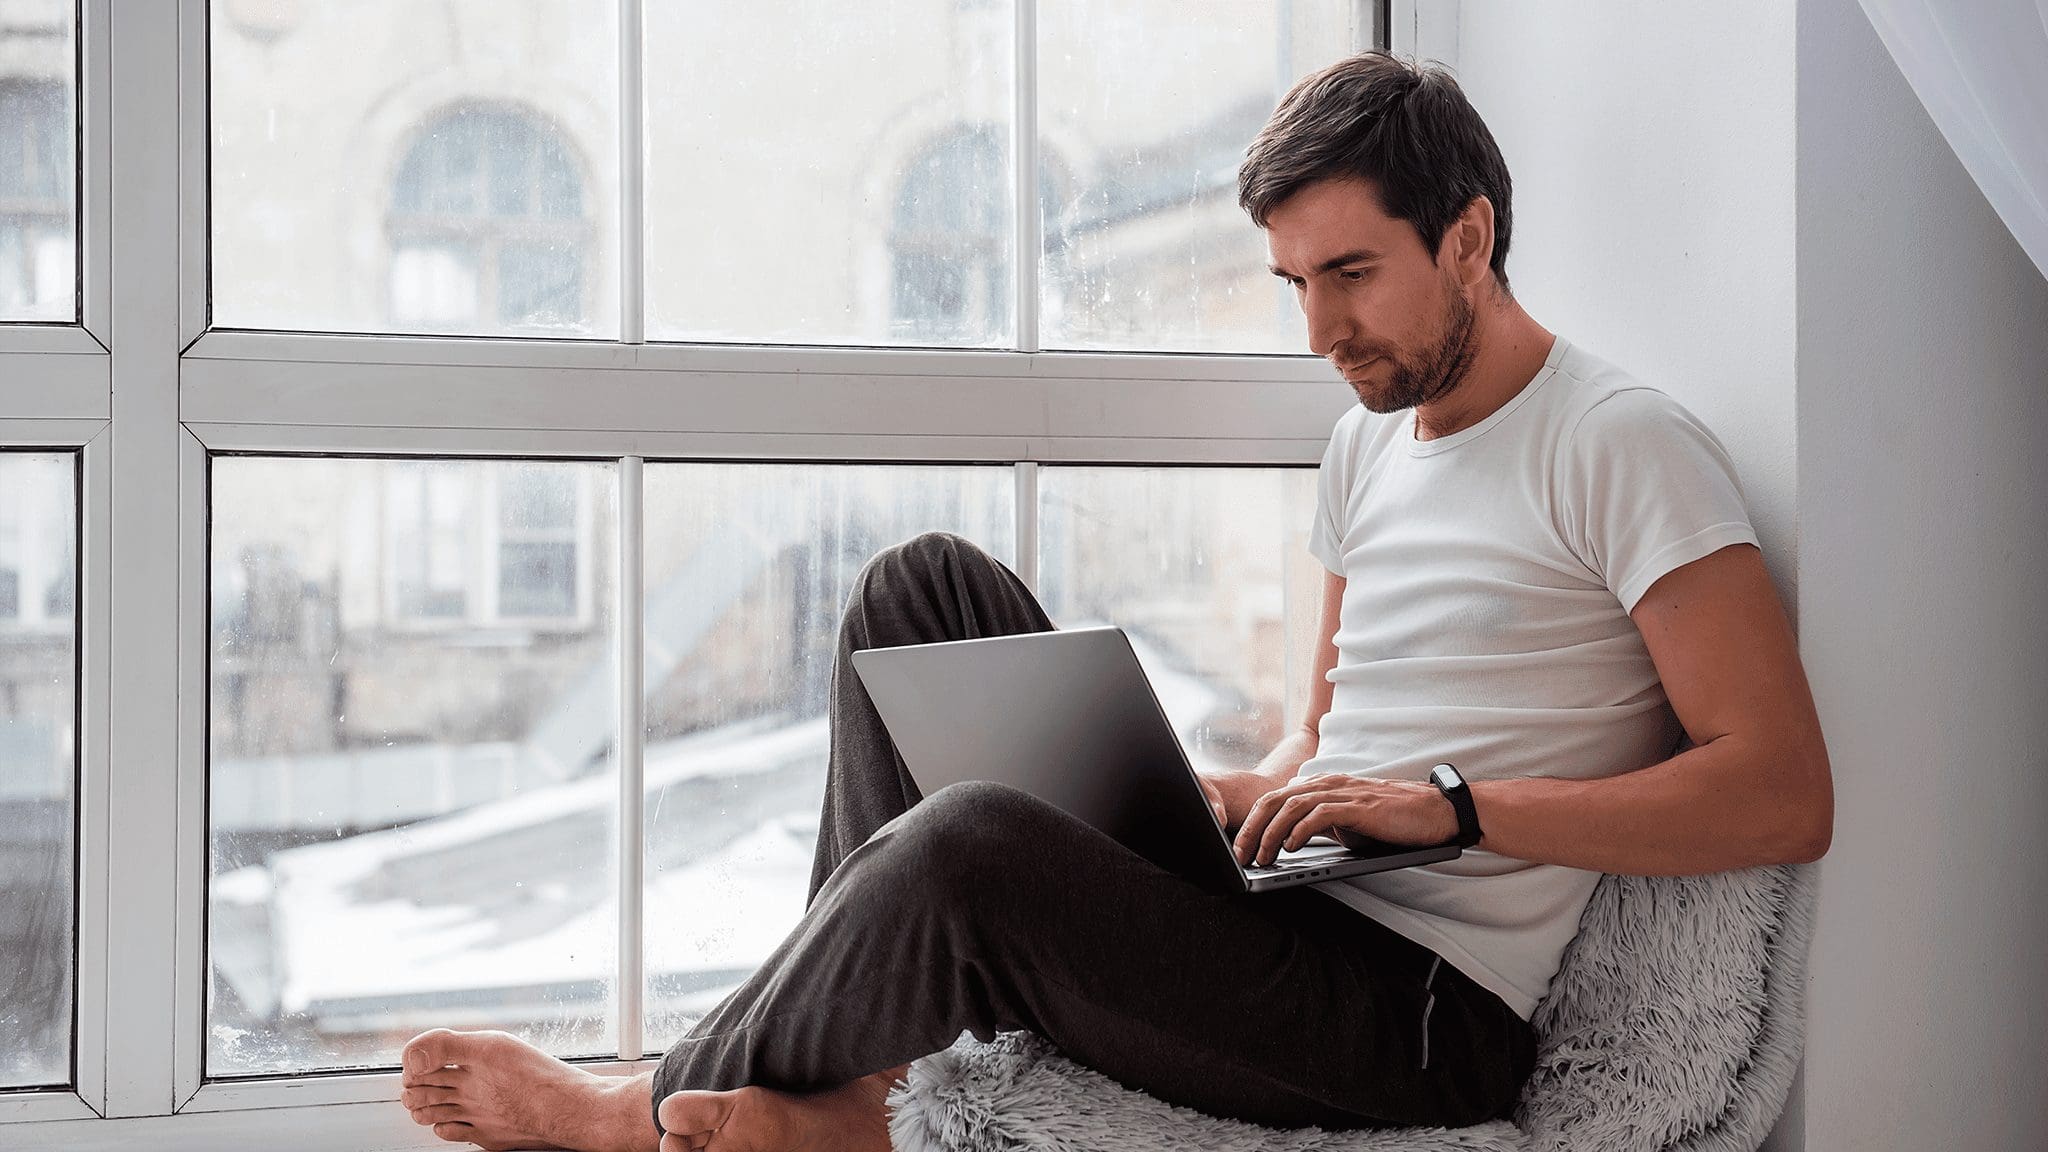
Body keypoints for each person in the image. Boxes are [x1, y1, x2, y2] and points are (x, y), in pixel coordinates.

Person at [392, 50, 1834, 1152]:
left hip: (1418, 1009)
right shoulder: (1366, 444)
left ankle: (636, 1113)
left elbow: (1780, 793)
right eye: (1293, 283)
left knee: (971, 846)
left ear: (1468, 237)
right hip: (1294, 906)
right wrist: (1231, 792)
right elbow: (1321, 734)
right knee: (918, 591)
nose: (1324, 331)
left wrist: (1453, 805)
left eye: (1353, 275)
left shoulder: (1623, 443)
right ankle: (850, 1104)